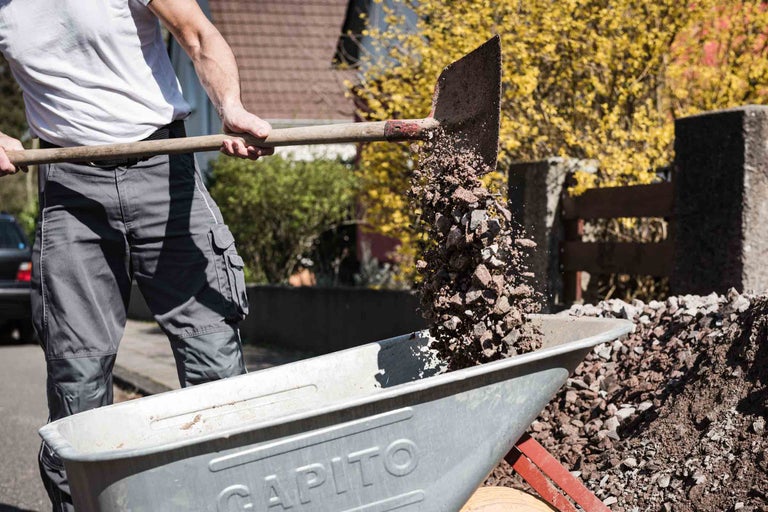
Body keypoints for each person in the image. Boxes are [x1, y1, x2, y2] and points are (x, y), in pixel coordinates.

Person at [0, 1, 273, 509]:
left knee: (214, 362)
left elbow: (195, 34)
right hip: (69, 181)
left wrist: (230, 106)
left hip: (163, 167)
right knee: (76, 383)